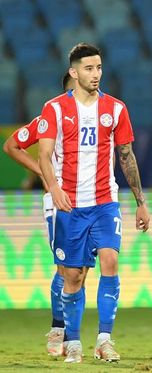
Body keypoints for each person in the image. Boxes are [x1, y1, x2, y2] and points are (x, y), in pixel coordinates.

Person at [38, 43, 151, 363]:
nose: (96, 74)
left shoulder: (116, 109)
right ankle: (73, 340)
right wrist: (55, 189)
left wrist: (140, 201)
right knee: (72, 277)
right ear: (73, 73)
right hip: (70, 206)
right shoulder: (55, 109)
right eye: (89, 69)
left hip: (105, 202)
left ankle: (104, 339)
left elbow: (126, 156)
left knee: (110, 262)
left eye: (99, 68)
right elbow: (44, 155)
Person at [3, 71, 75, 357]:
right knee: (65, 266)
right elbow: (11, 145)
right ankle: (60, 329)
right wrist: (45, 175)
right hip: (59, 200)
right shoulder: (51, 117)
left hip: (94, 199)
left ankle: (83, 333)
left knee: (83, 268)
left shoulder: (100, 114)